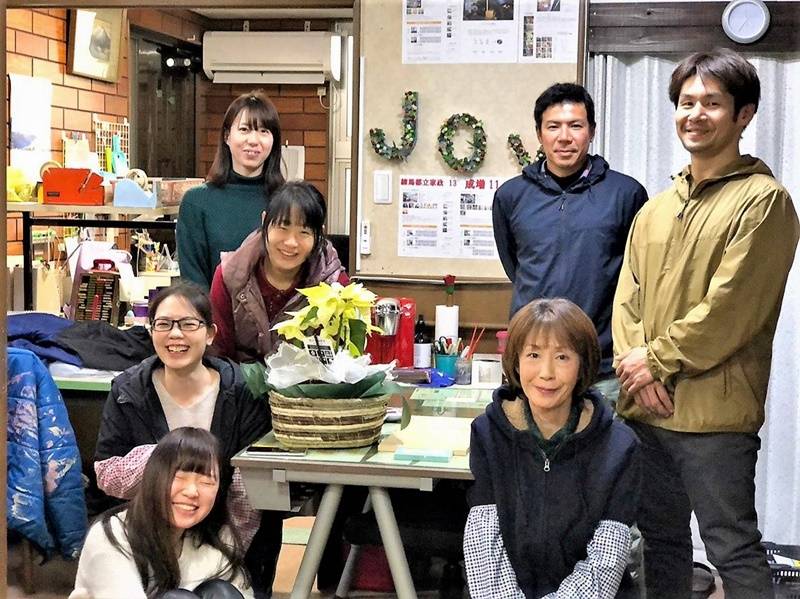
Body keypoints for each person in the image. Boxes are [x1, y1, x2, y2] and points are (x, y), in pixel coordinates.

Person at [613, 48, 799, 599]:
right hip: (646, 409)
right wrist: (638, 370)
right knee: (660, 543)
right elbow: (627, 299)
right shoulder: (655, 208)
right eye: (686, 102)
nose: (695, 114)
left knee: (731, 548)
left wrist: (655, 361)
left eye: (712, 103)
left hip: (714, 416)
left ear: (744, 115)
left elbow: (731, 309)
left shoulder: (764, 202)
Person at [93, 283, 279, 598]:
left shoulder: (242, 391)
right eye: (164, 324)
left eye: (189, 324)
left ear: (210, 333)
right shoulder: (128, 391)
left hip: (230, 539)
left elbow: (251, 482)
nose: (175, 334)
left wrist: (222, 555)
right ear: (151, 331)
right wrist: (166, 460)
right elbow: (107, 474)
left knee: (220, 593)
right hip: (149, 541)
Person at [464, 298, 641, 598]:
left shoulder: (620, 446)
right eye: (533, 355)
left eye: (562, 357)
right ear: (516, 362)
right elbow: (485, 546)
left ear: (582, 365)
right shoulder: (488, 433)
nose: (546, 372)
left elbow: (606, 560)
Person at [492, 82, 647, 406]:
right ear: (539, 133)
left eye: (575, 126)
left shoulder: (626, 194)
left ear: (591, 131)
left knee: (604, 440)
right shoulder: (511, 196)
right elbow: (515, 266)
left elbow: (638, 277)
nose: (564, 137)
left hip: (602, 368)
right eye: (553, 127)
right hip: (532, 366)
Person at [72, 427, 252, 599]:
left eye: (206, 482)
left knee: (220, 591)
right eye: (178, 477)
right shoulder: (112, 535)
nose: (192, 491)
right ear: (153, 479)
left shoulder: (218, 538)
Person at [210, 180, 348, 362]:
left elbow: (343, 357)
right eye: (283, 228)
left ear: (318, 235)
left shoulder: (335, 285)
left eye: (304, 232)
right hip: (240, 378)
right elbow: (219, 354)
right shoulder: (230, 275)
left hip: (309, 379)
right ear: (264, 221)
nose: (291, 242)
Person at [178, 90, 284, 290]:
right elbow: (193, 284)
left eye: (264, 131)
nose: (253, 140)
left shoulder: (286, 202)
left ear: (274, 140)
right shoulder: (197, 202)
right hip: (213, 310)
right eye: (244, 129)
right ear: (227, 136)